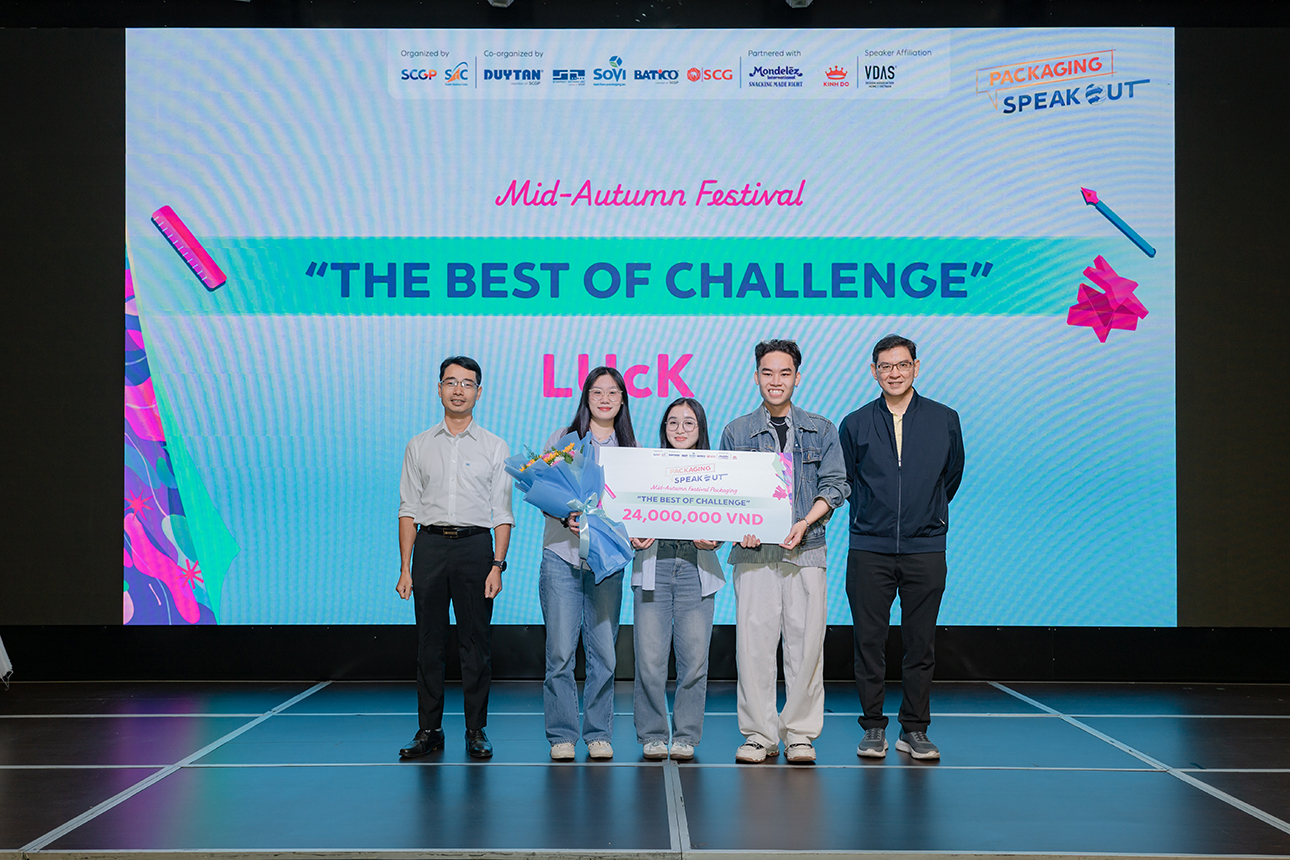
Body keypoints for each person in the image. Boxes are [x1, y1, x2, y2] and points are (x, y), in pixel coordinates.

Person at [719, 339, 848, 764]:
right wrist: (740, 529)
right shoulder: (736, 431)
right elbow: (726, 494)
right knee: (753, 648)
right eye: (768, 373)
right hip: (754, 555)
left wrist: (805, 521)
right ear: (756, 377)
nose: (776, 381)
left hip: (806, 551)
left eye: (785, 373)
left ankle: (799, 734)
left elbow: (835, 485)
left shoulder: (821, 429)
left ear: (797, 377)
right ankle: (760, 734)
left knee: (806, 648)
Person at [840, 334, 964, 761]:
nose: (894, 373)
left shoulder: (944, 419)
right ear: (873, 371)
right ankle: (873, 726)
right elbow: (847, 480)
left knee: (921, 644)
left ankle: (914, 728)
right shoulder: (855, 423)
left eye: (902, 365)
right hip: (869, 548)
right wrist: (874, 518)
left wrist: (925, 515)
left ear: (916, 367)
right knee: (868, 643)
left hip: (925, 548)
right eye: (885, 366)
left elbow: (951, 477)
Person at [396, 356, 513, 760]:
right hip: (430, 547)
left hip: (475, 548)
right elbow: (408, 509)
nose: (458, 390)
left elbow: (502, 513)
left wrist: (497, 565)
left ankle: (475, 730)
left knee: (475, 643)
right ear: (439, 389)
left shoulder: (495, 446)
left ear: (479, 392)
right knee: (428, 643)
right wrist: (405, 568)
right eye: (450, 382)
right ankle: (429, 729)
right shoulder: (418, 445)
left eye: (467, 383)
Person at [540, 367, 638, 761]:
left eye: (613, 392)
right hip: (561, 557)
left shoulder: (631, 450)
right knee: (560, 652)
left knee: (604, 654)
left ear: (622, 400)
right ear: (586, 397)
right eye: (597, 392)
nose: (605, 399)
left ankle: (598, 733)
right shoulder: (563, 440)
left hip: (606, 563)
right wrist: (565, 514)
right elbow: (542, 490)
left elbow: (636, 508)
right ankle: (561, 735)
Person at [631, 398, 725, 761]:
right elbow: (626, 511)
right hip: (654, 566)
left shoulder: (718, 471)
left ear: (700, 428)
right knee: (649, 660)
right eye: (672, 422)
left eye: (688, 422)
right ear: (663, 429)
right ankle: (653, 733)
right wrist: (631, 534)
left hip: (695, 569)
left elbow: (729, 517)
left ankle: (686, 734)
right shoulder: (645, 468)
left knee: (695, 660)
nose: (680, 429)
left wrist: (717, 538)